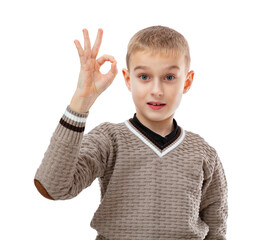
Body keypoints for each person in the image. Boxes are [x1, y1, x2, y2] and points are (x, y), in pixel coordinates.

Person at [34, 25, 228, 240]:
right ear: (128, 79)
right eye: (144, 76)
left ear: (187, 81)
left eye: (169, 77)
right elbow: (53, 187)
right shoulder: (108, 140)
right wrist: (81, 101)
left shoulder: (203, 153)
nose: (156, 90)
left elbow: (216, 227)